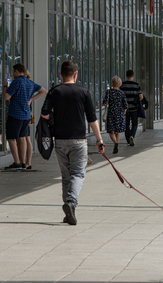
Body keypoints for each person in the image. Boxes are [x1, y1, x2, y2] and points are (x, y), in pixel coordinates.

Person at [41, 61, 105, 225]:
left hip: (60, 140)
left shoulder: (55, 91)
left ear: (61, 74)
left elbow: (44, 115)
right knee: (78, 174)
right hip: (78, 140)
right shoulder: (83, 92)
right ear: (75, 74)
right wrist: (99, 139)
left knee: (66, 176)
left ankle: (69, 211)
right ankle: (70, 202)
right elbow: (92, 119)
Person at [2, 63, 47, 170]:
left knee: (11, 138)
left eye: (13, 71)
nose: (13, 74)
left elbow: (7, 97)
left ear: (17, 71)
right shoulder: (29, 82)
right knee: (22, 138)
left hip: (15, 114)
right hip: (26, 115)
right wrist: (31, 99)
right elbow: (44, 91)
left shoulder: (16, 82)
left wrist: (5, 87)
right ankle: (23, 163)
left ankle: (17, 162)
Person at [103, 76, 128, 154]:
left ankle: (115, 143)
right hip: (119, 113)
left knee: (111, 131)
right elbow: (126, 106)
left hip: (111, 113)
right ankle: (116, 143)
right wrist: (123, 113)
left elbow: (104, 102)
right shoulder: (122, 93)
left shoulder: (109, 92)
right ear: (119, 83)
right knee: (117, 131)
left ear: (112, 83)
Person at [121, 69, 143, 146]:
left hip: (125, 109)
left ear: (126, 75)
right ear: (133, 76)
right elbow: (141, 97)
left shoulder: (122, 85)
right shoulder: (136, 85)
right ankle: (132, 136)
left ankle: (128, 140)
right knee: (134, 123)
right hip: (134, 108)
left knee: (126, 124)